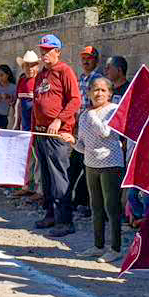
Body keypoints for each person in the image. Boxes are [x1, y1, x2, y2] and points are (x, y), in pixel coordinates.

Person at [71, 77, 125, 262]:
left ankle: (116, 248)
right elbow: (82, 145)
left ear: (110, 93)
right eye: (95, 89)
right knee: (96, 206)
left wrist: (92, 114)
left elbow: (106, 132)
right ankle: (98, 245)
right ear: (89, 93)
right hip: (91, 164)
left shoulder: (114, 110)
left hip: (111, 164)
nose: (99, 93)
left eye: (103, 90)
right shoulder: (85, 115)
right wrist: (72, 142)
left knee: (112, 207)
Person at [33, 34, 81, 237]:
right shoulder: (41, 75)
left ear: (57, 52)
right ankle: (50, 213)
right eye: (42, 50)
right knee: (46, 176)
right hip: (41, 133)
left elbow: (75, 100)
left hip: (58, 134)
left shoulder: (64, 71)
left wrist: (59, 120)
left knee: (59, 176)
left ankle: (65, 220)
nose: (44, 53)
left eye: (48, 50)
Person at [66, 46, 103, 216]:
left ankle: (82, 201)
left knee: (86, 166)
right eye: (83, 58)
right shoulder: (81, 78)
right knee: (74, 164)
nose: (86, 61)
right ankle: (70, 200)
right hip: (79, 127)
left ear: (96, 60)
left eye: (89, 58)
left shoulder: (98, 79)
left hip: (91, 128)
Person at [13, 50, 40, 197]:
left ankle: (39, 189)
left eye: (33, 65)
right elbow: (18, 103)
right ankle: (26, 186)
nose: (30, 68)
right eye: (27, 66)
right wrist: (16, 123)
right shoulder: (22, 81)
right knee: (26, 157)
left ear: (37, 66)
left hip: (37, 127)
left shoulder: (40, 81)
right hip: (25, 126)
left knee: (38, 158)